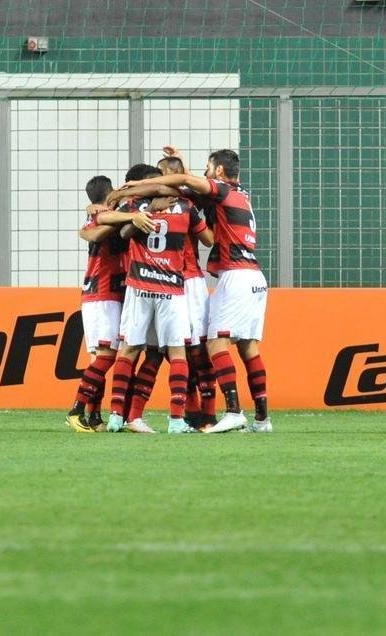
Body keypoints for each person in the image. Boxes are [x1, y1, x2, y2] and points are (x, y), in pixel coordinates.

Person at [112, 147, 271, 434]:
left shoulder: (200, 196)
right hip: (243, 276)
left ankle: (215, 414)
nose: (204, 173)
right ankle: (258, 418)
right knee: (169, 351)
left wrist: (134, 187)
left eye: (208, 168)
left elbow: (192, 201)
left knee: (203, 349)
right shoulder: (239, 192)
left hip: (201, 279)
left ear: (219, 172)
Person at [97, 170, 208, 434]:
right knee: (177, 352)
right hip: (171, 289)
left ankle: (115, 415)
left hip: (140, 286)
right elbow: (207, 238)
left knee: (130, 349)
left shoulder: (137, 205)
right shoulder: (188, 206)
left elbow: (107, 221)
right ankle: (176, 419)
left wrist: (134, 215)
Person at [66, 175, 129, 432]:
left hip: (97, 293)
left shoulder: (98, 214)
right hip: (104, 293)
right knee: (107, 356)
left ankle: (94, 416)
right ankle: (76, 410)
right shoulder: (109, 216)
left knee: (98, 358)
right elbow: (93, 234)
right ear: (110, 192)